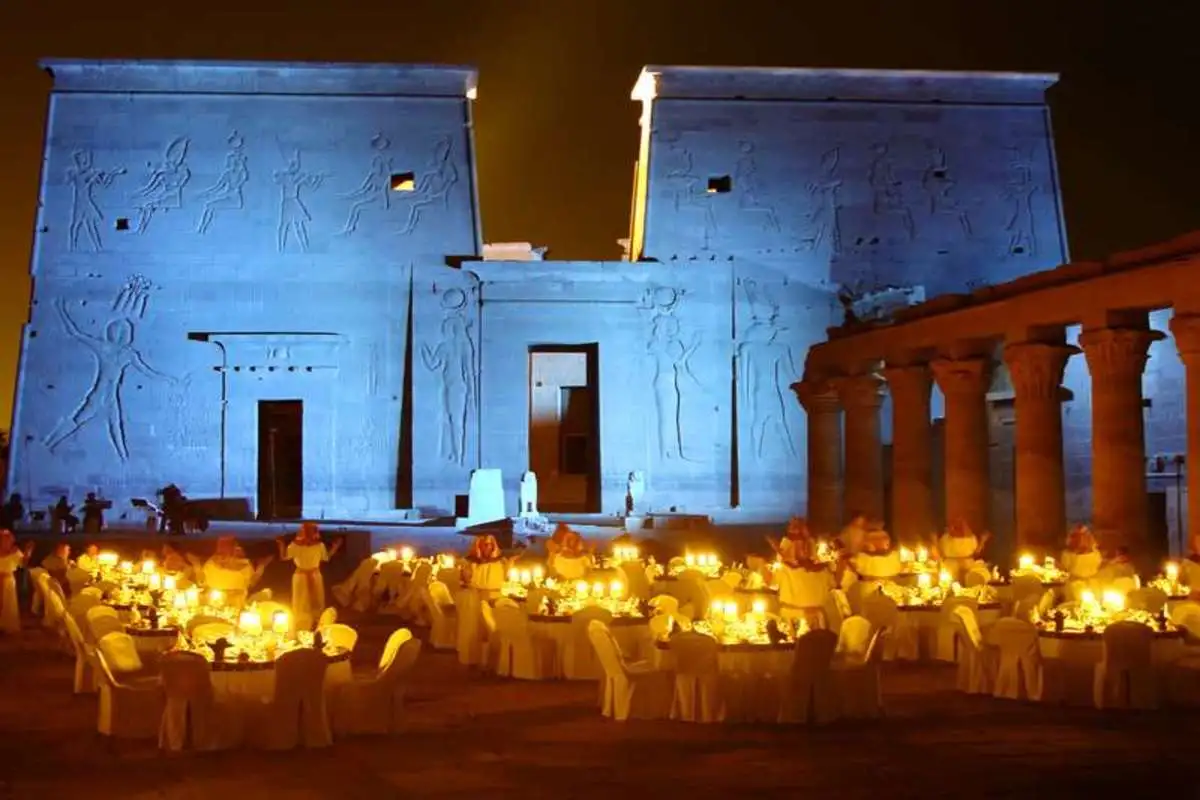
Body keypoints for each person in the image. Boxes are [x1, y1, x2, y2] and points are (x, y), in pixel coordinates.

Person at [277, 522, 343, 631]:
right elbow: (284, 557)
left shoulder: (318, 545)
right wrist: (281, 545)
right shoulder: (295, 545)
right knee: (301, 601)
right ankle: (301, 625)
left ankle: (317, 624)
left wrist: (335, 547)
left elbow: (325, 557)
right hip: (301, 576)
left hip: (314, 575)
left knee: (316, 599)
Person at [0, 531, 34, 635]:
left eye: (8, 539)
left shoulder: (14, 551)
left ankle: (6, 626)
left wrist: (28, 552)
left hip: (8, 581)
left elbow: (23, 563)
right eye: (3, 539)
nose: (6, 541)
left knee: (7, 605)